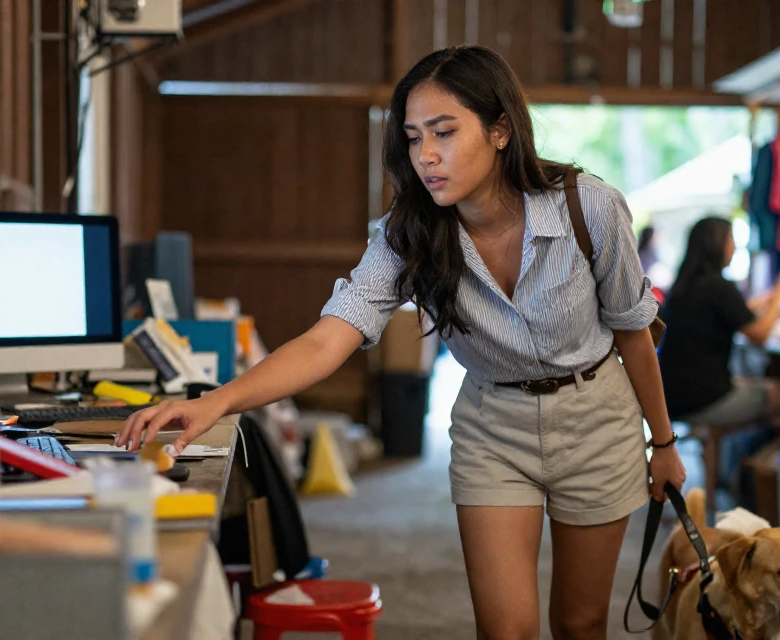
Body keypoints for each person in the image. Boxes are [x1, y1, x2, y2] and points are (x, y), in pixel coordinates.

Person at [117, 45, 685, 640]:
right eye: (413, 138)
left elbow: (633, 330)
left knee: (579, 623)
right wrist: (217, 401)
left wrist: (664, 443)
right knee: (507, 631)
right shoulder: (407, 234)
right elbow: (325, 342)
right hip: (495, 427)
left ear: (499, 130)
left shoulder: (587, 206)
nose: (427, 156)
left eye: (444, 132)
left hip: (597, 418)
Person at [657, 217, 780, 449]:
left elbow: (738, 312)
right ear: (718, 244)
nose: (734, 248)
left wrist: (770, 296)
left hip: (671, 397)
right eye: (731, 240)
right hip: (704, 400)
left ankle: (717, 484)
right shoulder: (720, 287)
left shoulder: (683, 288)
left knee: (750, 384)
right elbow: (760, 335)